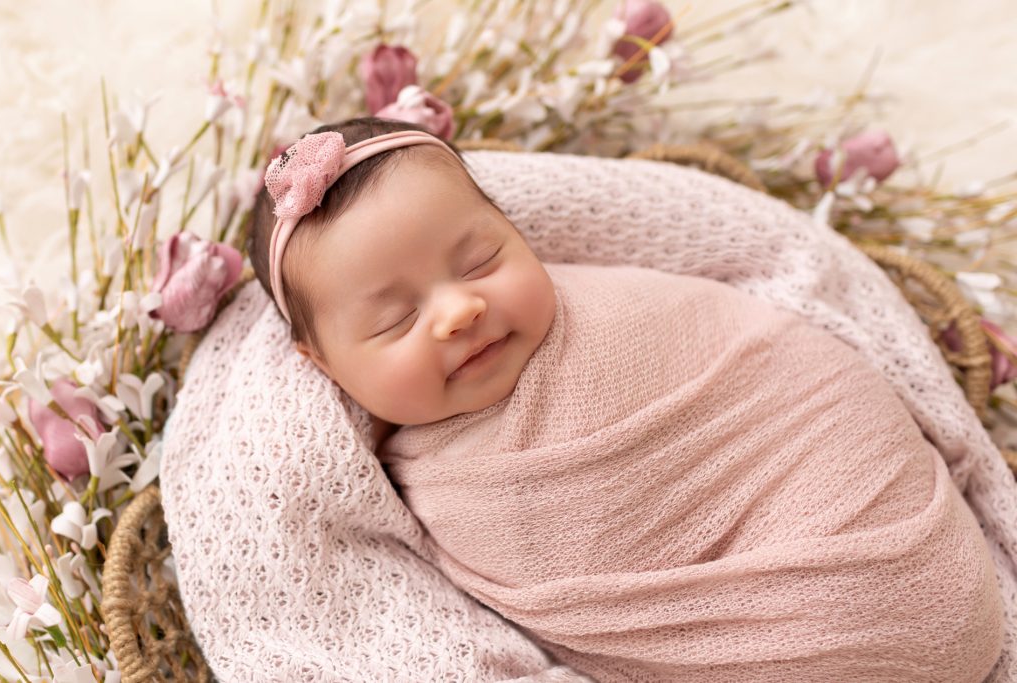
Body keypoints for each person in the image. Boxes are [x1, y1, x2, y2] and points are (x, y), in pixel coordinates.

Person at [247, 117, 1005, 681]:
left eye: (482, 259)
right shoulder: (407, 479)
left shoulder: (621, 312)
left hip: (861, 506)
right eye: (398, 318)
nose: (459, 311)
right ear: (324, 364)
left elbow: (779, 366)